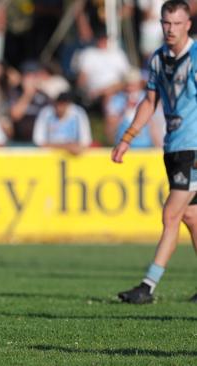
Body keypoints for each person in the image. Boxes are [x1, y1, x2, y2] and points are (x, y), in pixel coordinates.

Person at [113, 0, 197, 304]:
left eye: (176, 23)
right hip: (174, 146)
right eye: (166, 23)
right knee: (190, 216)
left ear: (188, 24)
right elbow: (150, 102)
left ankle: (147, 286)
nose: (170, 29)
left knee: (171, 214)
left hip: (193, 148)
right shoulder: (158, 59)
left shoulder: (196, 57)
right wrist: (128, 137)